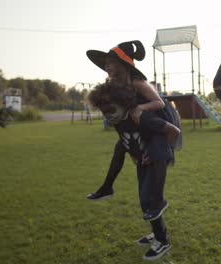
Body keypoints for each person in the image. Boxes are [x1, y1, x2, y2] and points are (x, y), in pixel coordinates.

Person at [85, 41, 180, 260]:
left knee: (151, 196)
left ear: (123, 64)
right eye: (105, 63)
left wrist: (140, 108)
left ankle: (162, 241)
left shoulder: (137, 82)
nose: (107, 67)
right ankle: (156, 231)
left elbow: (159, 103)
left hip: (154, 128)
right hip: (138, 134)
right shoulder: (113, 84)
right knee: (142, 191)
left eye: (111, 62)